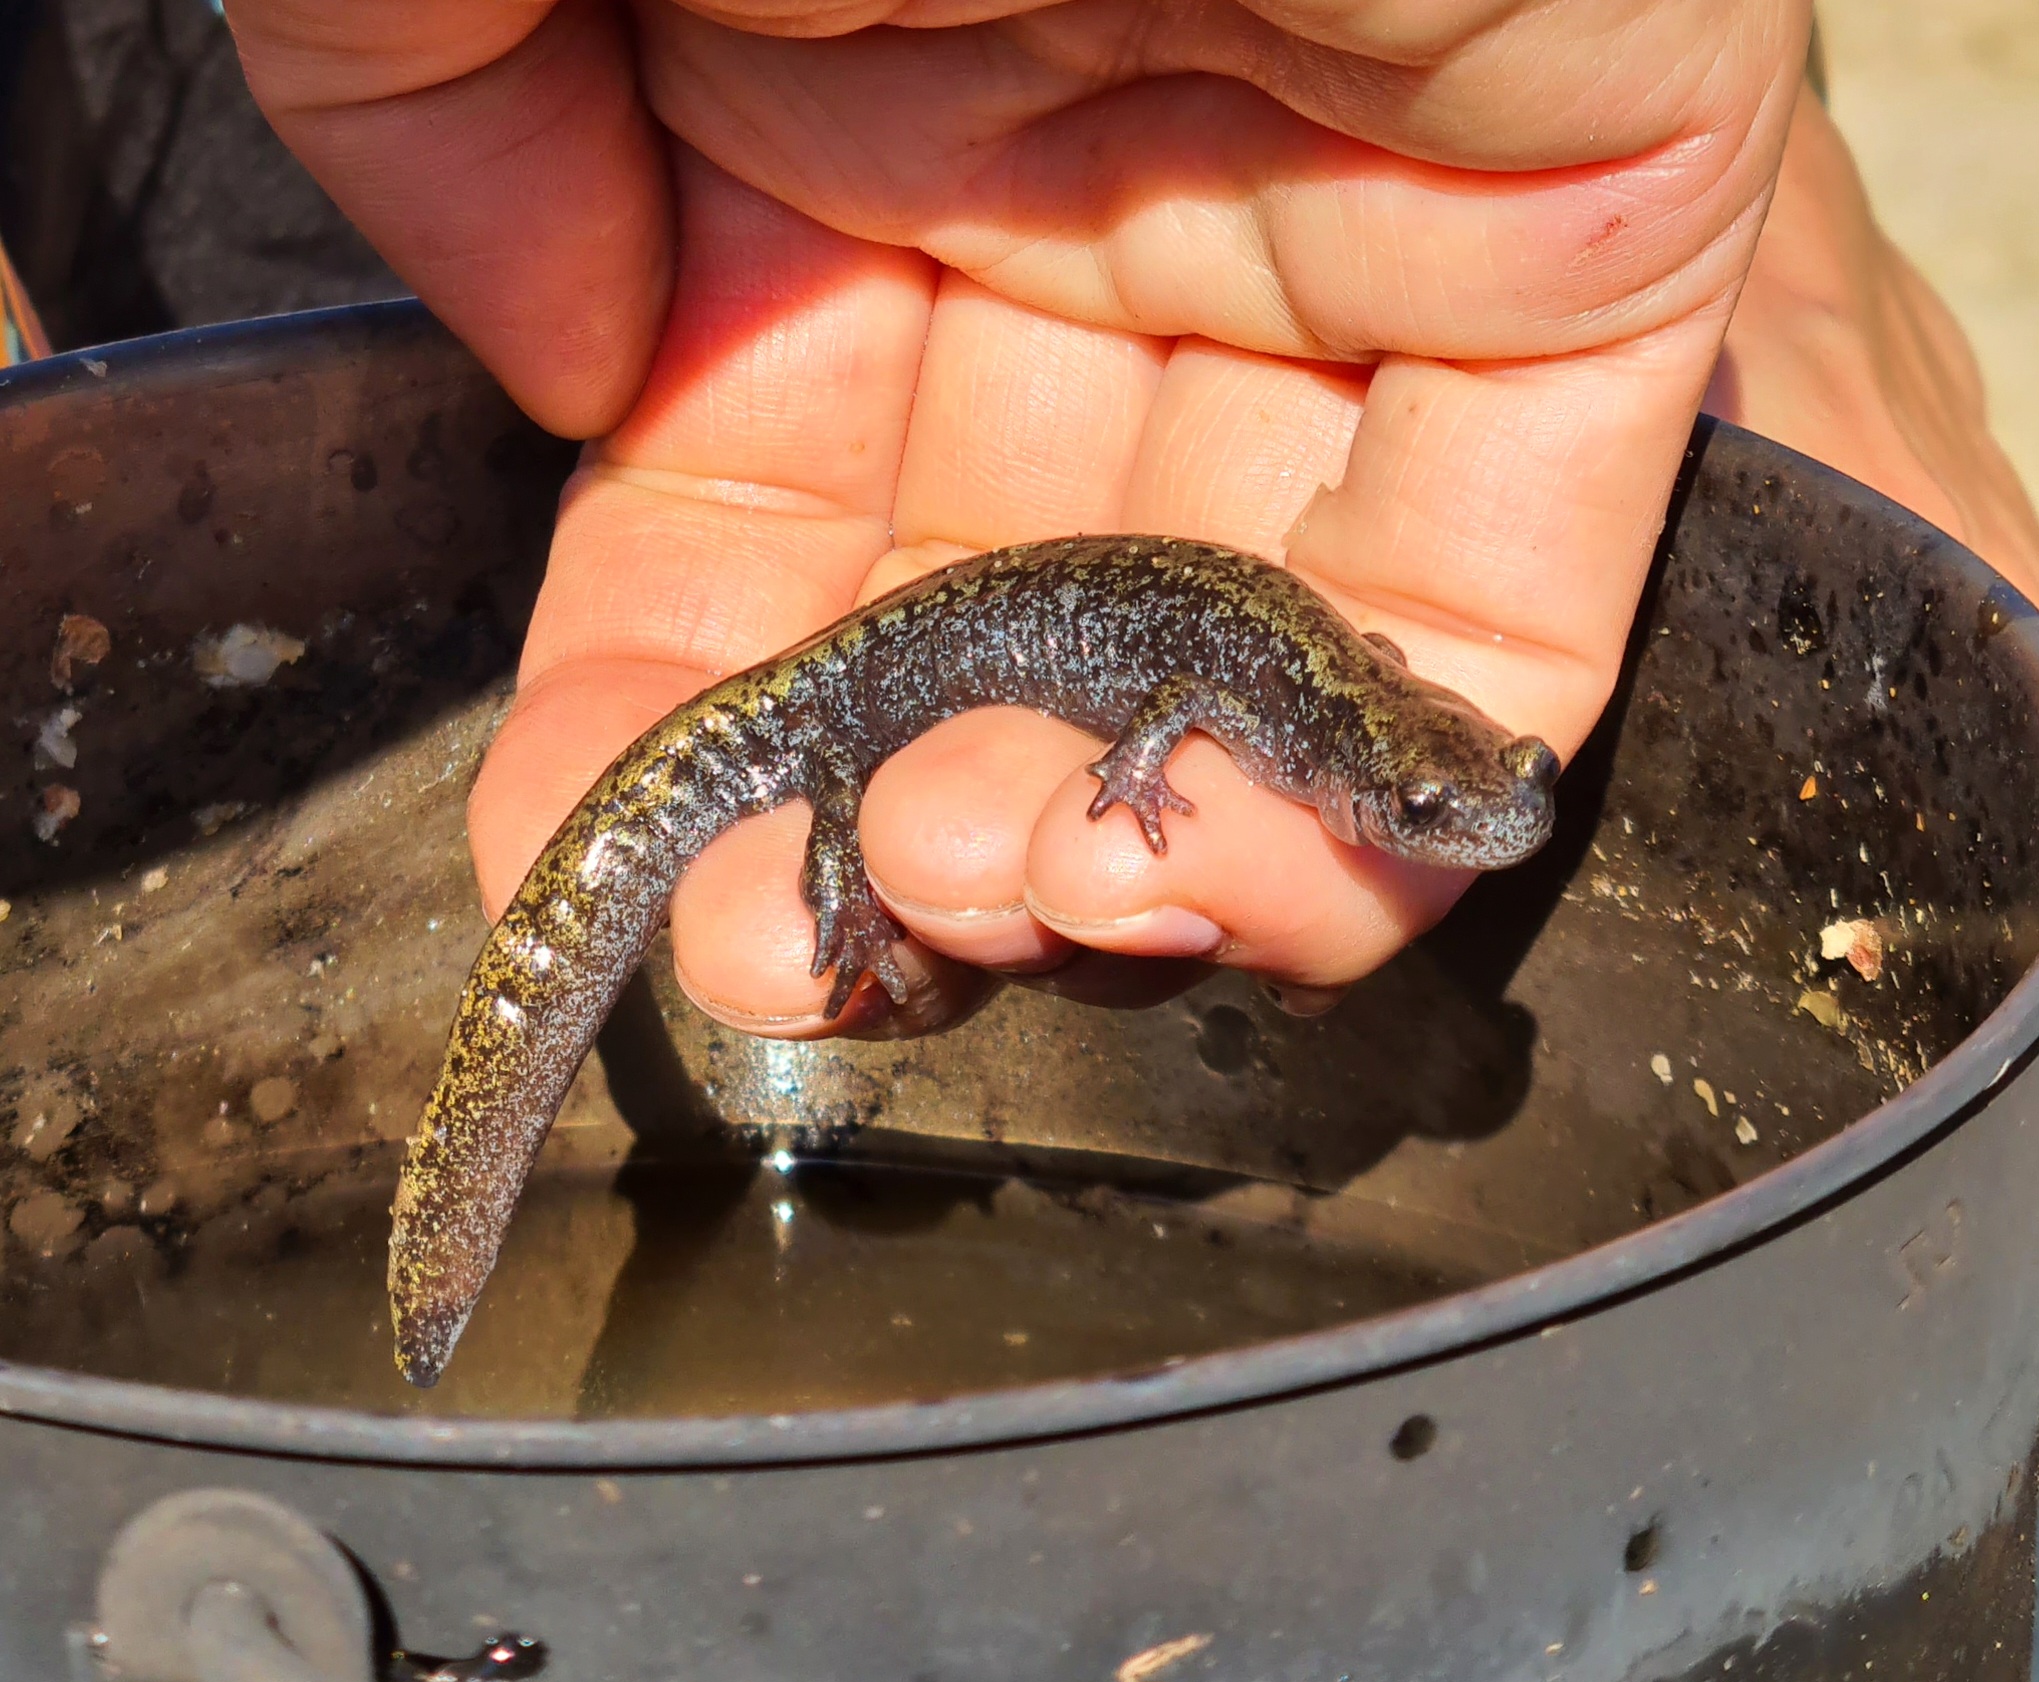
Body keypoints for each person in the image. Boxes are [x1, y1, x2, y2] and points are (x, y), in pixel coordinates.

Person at [218, 0, 2039, 1039]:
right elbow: (1178, 698)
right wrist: (1138, 763)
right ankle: (809, 899)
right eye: (1431, 809)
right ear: (1357, 762)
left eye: (1487, 787)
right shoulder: (1290, 709)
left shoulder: (1347, 703)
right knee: (836, 778)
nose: (1471, 815)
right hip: (848, 674)